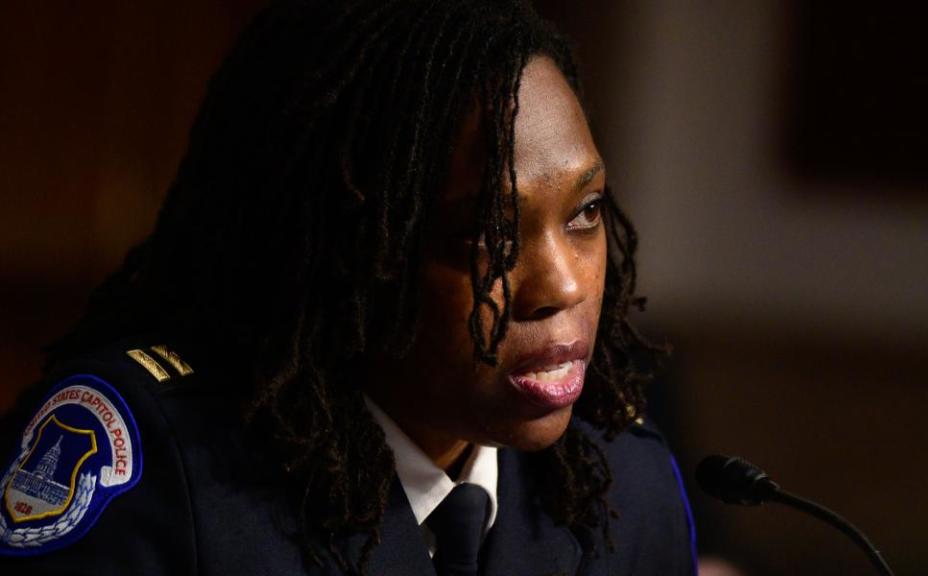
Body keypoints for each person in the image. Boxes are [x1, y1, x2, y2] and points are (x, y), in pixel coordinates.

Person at [0, 1, 696, 574]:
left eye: (586, 213)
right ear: (348, 249)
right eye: (487, 237)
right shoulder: (161, 469)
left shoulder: (625, 488)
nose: (564, 283)